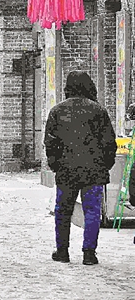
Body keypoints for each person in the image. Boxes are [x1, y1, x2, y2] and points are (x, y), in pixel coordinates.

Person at [45, 71, 117, 265]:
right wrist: (105, 165)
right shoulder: (98, 111)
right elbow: (109, 143)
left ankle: (62, 251)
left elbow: (50, 143)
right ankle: (89, 253)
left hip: (66, 169)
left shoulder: (57, 111)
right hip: (94, 169)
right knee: (92, 211)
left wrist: (55, 164)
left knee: (63, 211)